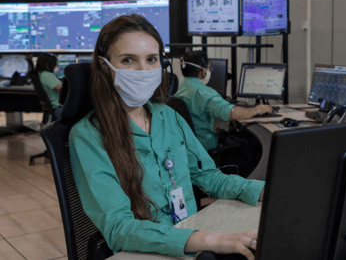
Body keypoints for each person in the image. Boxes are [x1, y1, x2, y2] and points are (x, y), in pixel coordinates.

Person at [69, 14, 265, 260]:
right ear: (104, 67)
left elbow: (210, 178)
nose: (143, 70)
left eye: (151, 59)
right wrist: (210, 240)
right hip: (145, 251)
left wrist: (265, 191)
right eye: (128, 60)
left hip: (194, 241)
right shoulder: (88, 135)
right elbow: (119, 227)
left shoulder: (168, 116)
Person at [175, 51, 274, 152]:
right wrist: (257, 109)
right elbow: (232, 114)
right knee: (248, 146)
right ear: (203, 71)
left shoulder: (178, 89)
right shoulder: (204, 93)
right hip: (204, 149)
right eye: (209, 68)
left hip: (187, 147)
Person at [35, 53, 63, 120]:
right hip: (59, 108)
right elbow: (59, 87)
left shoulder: (42, 74)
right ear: (47, 64)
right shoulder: (46, 75)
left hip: (57, 108)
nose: (56, 66)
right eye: (55, 64)